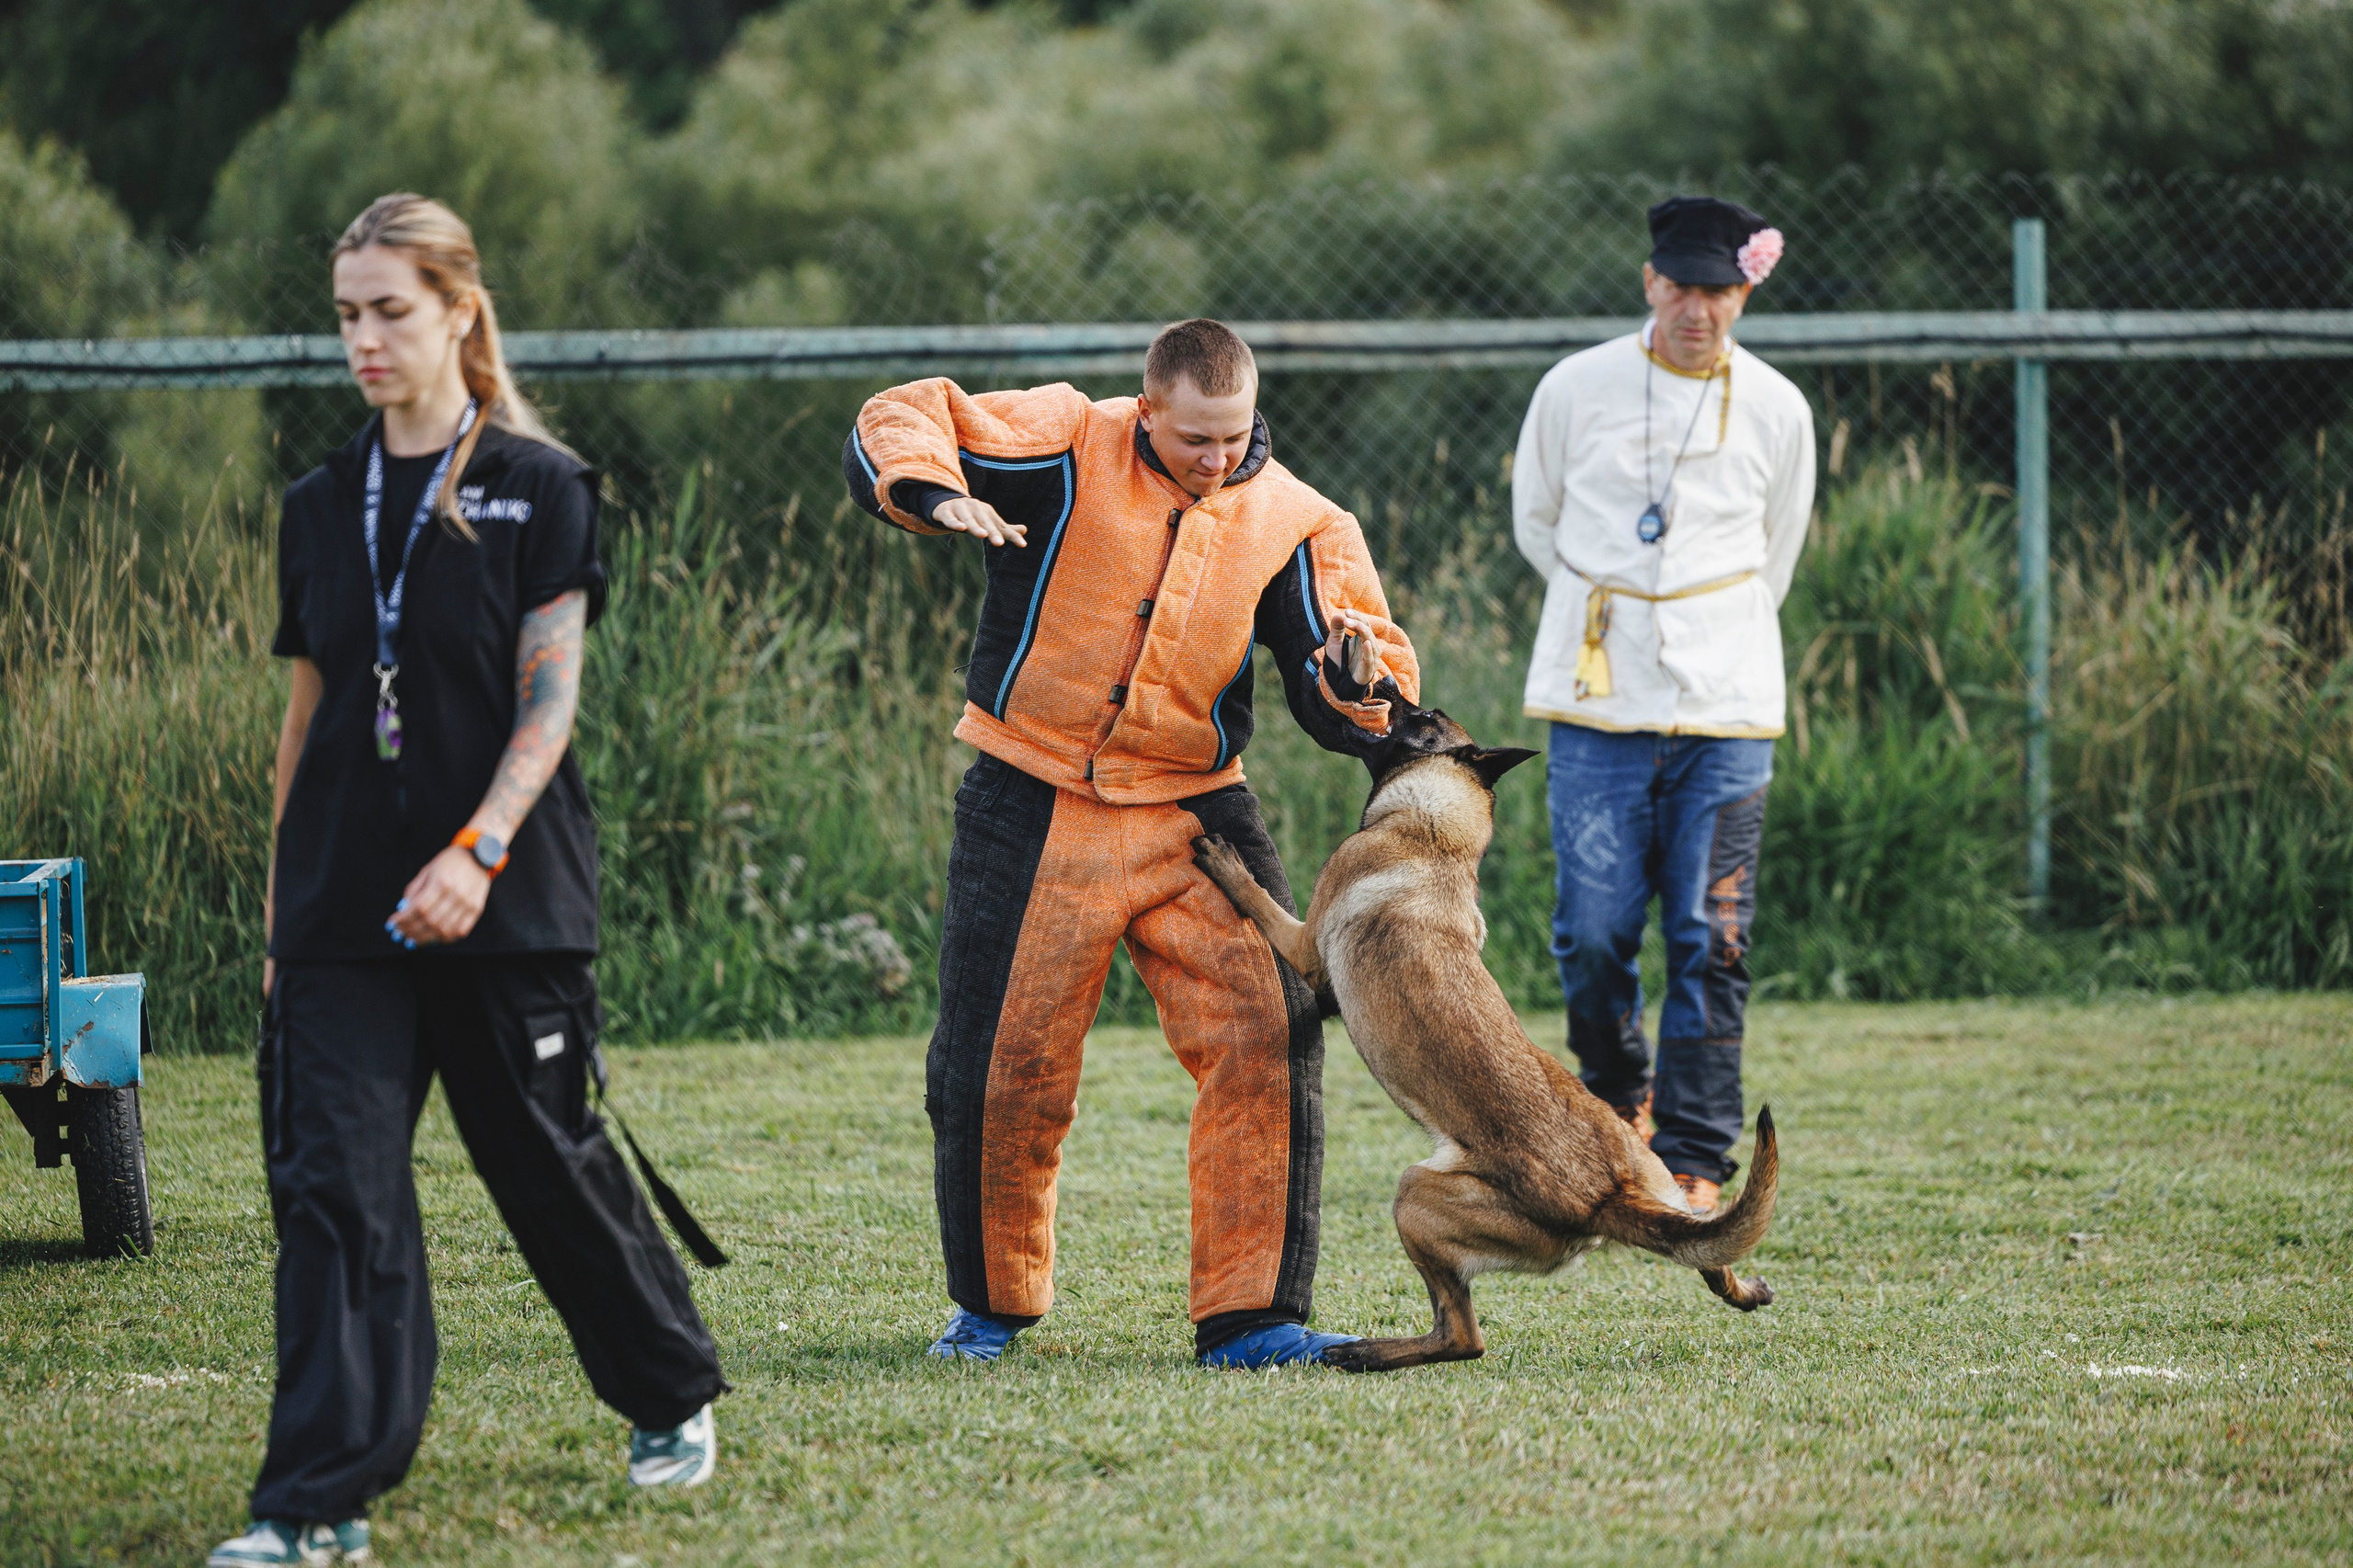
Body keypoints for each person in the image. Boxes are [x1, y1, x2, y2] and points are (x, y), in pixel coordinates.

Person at [211, 195, 726, 1568]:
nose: (364, 340)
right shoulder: (317, 505)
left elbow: (548, 700)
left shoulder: (540, 487)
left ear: (458, 309)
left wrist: (479, 847)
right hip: (341, 913)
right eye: (347, 314)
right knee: (335, 1190)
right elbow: (308, 719)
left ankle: (667, 1391)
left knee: (543, 1165)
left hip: (506, 899)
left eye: (391, 310)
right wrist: (280, 923)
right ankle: (315, 1501)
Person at [843, 319, 1418, 1369]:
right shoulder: (1064, 437)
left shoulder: (1301, 520)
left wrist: (1356, 680)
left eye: (1234, 436)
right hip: (1030, 789)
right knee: (999, 1061)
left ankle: (1252, 1319)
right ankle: (990, 1309)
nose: (1217, 458)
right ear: (1146, 410)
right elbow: (907, 414)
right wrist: (935, 493)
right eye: (1194, 438)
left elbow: (1353, 685)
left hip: (1194, 810)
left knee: (1269, 1024)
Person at [1510, 196, 1816, 1214]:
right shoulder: (1575, 386)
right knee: (1593, 930)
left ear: (1744, 295)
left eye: (1717, 290)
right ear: (1650, 282)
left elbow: (1777, 549)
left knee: (1710, 930)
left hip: (1726, 709)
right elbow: (1538, 522)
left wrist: (1703, 627)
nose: (1697, 308)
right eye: (1680, 285)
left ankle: (1695, 1150)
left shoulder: (1777, 406)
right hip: (1598, 700)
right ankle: (1615, 1099)